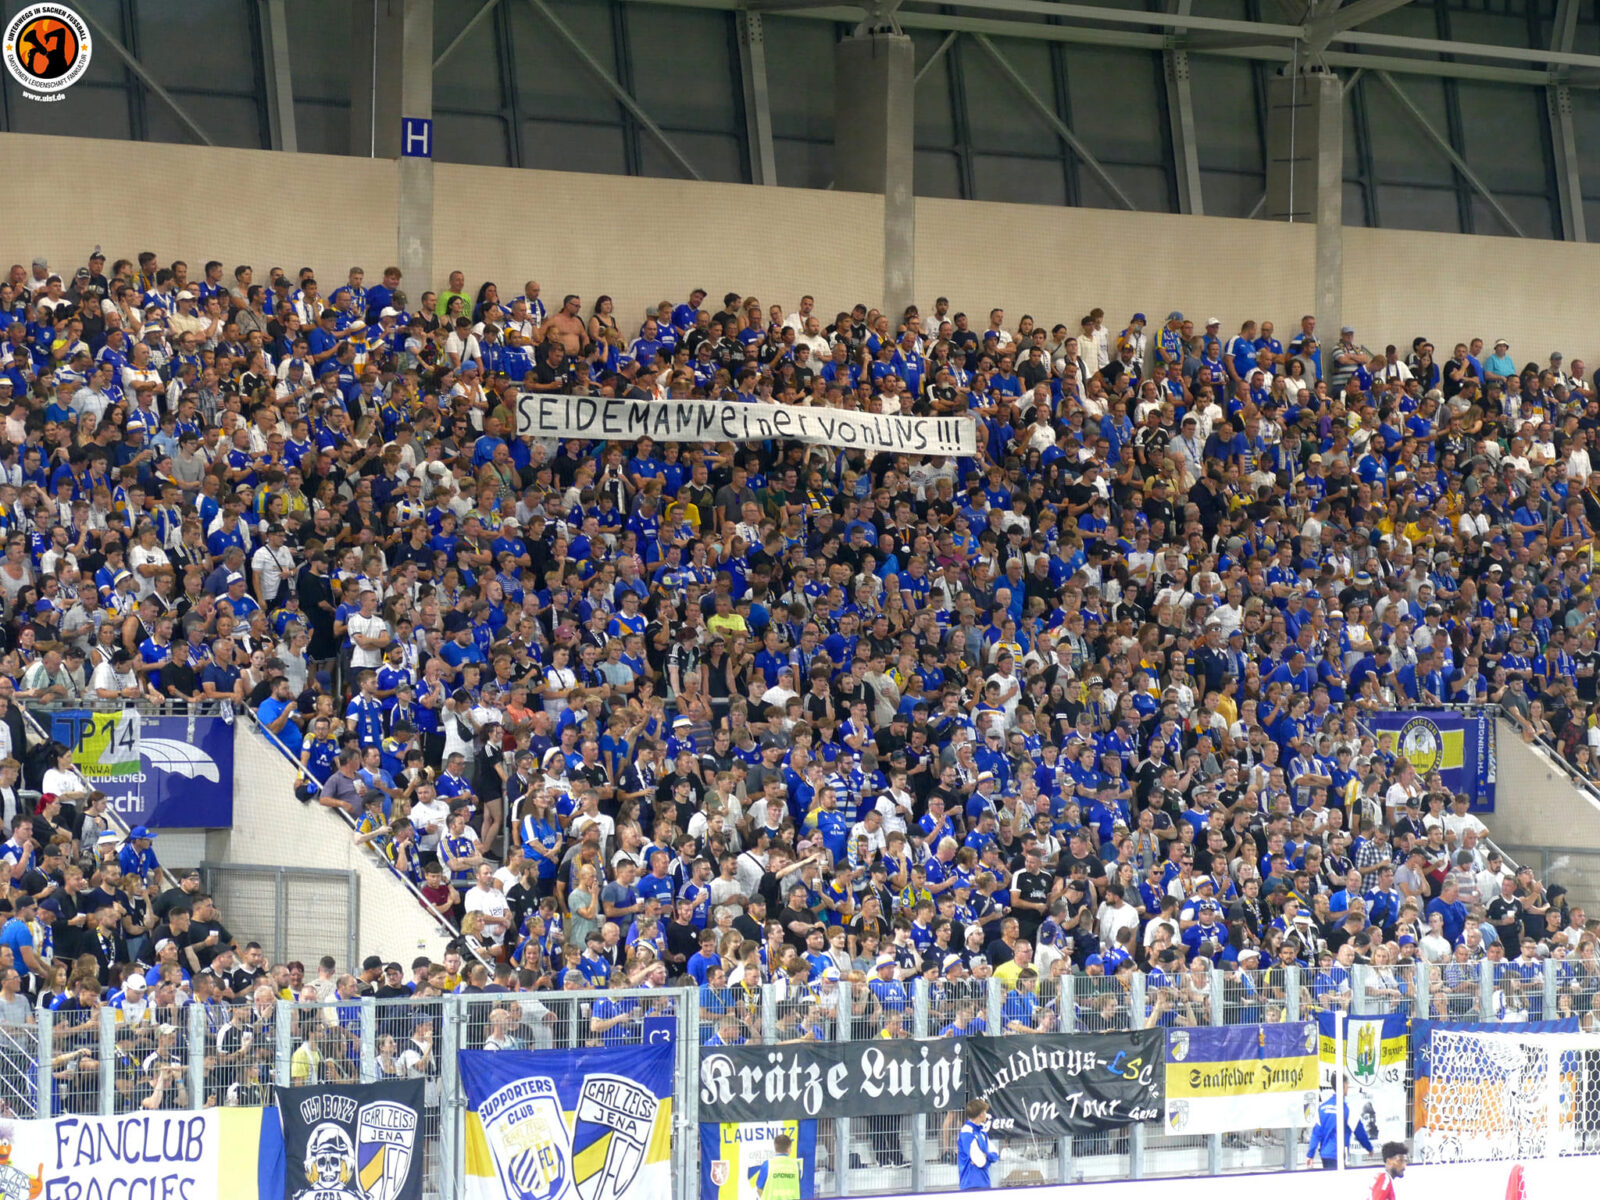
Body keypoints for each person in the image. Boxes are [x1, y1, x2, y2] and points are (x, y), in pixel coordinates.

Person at [1307, 1089, 1374, 1169]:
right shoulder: (1347, 1109)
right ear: (1344, 1085)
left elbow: (1316, 1133)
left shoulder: (1322, 1108)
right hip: (1339, 1154)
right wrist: (1369, 1147)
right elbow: (1359, 1131)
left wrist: (1310, 1154)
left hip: (1325, 1154)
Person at [958, 1098, 1000, 1190]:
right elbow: (980, 1161)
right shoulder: (967, 1133)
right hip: (970, 1184)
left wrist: (986, 1156)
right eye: (985, 1111)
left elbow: (996, 1154)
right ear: (981, 1114)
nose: (986, 1114)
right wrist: (987, 1158)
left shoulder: (982, 1132)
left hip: (984, 1183)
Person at [747, 1131, 803, 1199]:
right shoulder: (796, 1165)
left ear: (775, 1148)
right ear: (789, 1149)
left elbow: (759, 1188)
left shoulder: (768, 1164)